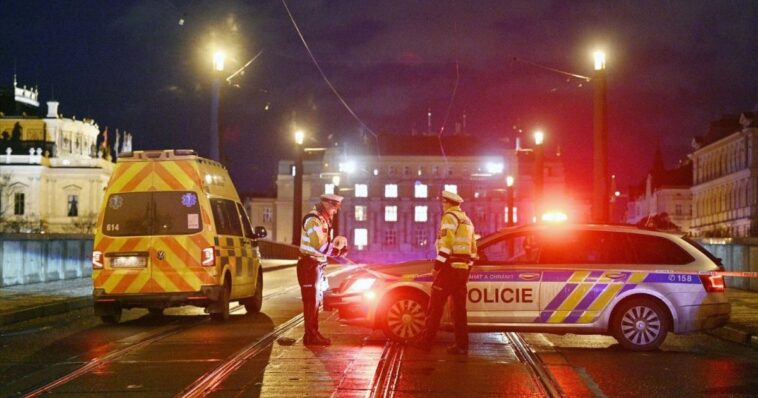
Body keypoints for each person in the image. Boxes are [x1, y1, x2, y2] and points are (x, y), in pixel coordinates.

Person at [412, 190, 477, 355]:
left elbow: (446, 244)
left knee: (435, 307)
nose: (442, 205)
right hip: (462, 270)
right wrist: (467, 267)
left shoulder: (450, 217)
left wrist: (437, 266)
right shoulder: (467, 220)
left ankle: (425, 342)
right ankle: (462, 345)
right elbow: (473, 249)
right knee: (459, 310)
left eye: (442, 202)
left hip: (449, 269)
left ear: (447, 203)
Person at [298, 193, 348, 346]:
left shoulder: (321, 220)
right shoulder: (313, 220)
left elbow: (323, 244)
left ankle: (313, 334)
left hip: (315, 265)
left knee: (315, 301)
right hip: (309, 265)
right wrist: (337, 252)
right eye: (334, 207)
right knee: (311, 302)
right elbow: (318, 245)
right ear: (327, 205)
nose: (335, 211)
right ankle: (310, 336)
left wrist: (337, 244)